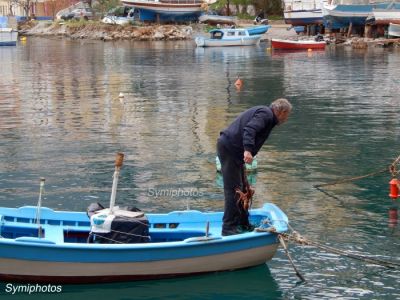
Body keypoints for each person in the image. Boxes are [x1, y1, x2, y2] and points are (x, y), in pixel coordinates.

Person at [217, 98, 292, 236]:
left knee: (244, 189)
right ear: (282, 111)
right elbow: (250, 129)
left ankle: (242, 222)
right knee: (234, 190)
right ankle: (228, 228)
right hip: (229, 149)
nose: (286, 119)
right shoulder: (266, 114)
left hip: (234, 151)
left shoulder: (267, 117)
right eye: (287, 115)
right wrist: (248, 150)